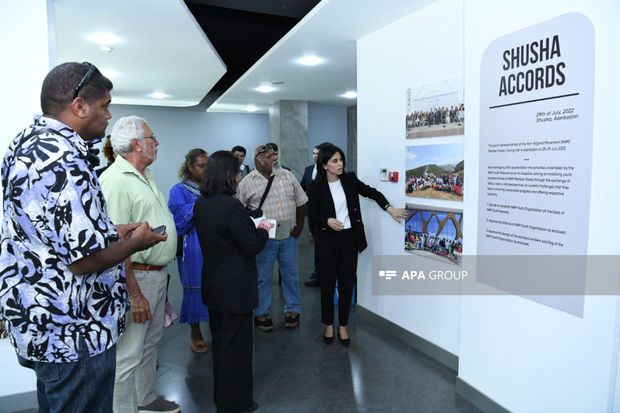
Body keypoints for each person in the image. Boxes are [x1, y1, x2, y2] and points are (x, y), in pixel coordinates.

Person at [0, 62, 166, 413]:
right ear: (79, 106)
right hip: (73, 331)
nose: (108, 116)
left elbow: (48, 231)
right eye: (104, 106)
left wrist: (111, 230)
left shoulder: (28, 143)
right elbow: (84, 260)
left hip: (42, 323)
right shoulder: (62, 158)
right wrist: (136, 243)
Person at [100, 116, 179, 413]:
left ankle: (145, 401)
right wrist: (134, 294)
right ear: (136, 144)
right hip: (137, 279)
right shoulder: (116, 180)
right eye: (151, 137)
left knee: (149, 346)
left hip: (155, 275)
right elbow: (115, 246)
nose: (156, 142)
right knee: (128, 355)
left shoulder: (144, 175)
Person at [194, 150, 271, 413]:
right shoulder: (231, 206)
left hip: (215, 287)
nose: (240, 177)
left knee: (221, 347)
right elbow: (251, 246)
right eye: (238, 172)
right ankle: (237, 403)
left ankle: (222, 398)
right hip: (236, 289)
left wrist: (247, 223)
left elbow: (224, 235)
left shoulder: (202, 203)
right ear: (228, 175)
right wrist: (262, 229)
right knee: (238, 351)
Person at [309, 144, 407, 347]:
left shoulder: (350, 179)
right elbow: (313, 214)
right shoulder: (316, 187)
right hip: (327, 240)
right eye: (335, 161)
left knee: (346, 284)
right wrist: (327, 221)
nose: (340, 164)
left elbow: (371, 192)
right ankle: (328, 324)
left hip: (349, 239)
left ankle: (343, 326)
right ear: (325, 164)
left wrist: (390, 209)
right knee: (327, 285)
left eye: (341, 159)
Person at [236, 145, 307, 331]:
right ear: (258, 161)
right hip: (263, 238)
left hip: (288, 236)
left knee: (291, 275)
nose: (274, 159)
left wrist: (299, 228)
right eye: (268, 157)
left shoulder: (286, 175)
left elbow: (301, 202)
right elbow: (238, 211)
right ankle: (261, 313)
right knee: (263, 277)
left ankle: (293, 309)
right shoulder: (246, 183)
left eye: (274, 155)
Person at [168, 148, 210, 353]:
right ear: (190, 167)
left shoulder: (216, 187)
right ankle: (196, 332)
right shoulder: (179, 191)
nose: (206, 170)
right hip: (192, 246)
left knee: (216, 286)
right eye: (202, 166)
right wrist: (200, 204)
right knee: (195, 287)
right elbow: (178, 223)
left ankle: (216, 326)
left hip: (215, 245)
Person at [300, 143, 326, 287]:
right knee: (317, 242)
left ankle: (321, 273)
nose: (315, 156)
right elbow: (302, 187)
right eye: (314, 153)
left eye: (318, 154)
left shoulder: (329, 171)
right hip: (311, 213)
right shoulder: (309, 170)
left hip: (324, 216)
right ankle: (318, 271)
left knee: (322, 244)